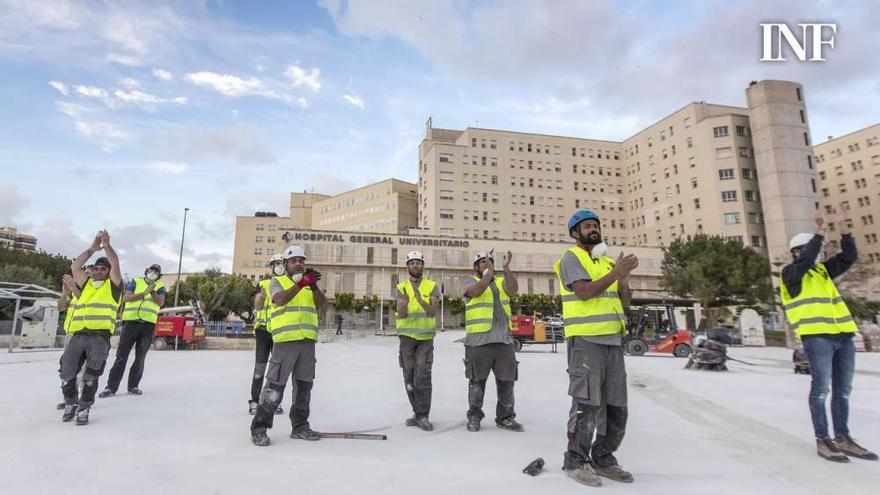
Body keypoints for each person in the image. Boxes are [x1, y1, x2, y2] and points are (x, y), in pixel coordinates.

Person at [781, 203, 877, 463]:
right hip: (817, 337)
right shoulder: (791, 274)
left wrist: (843, 226)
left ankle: (843, 437)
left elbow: (849, 256)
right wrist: (821, 229)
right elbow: (807, 258)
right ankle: (823, 439)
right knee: (821, 390)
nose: (820, 254)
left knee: (843, 390)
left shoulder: (823, 272)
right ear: (798, 252)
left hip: (843, 336)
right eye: (813, 249)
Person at [555, 210, 638, 487]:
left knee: (616, 404)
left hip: (613, 341)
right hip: (586, 341)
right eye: (586, 226)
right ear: (575, 233)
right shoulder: (572, 258)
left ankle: (603, 457)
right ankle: (575, 460)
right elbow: (583, 292)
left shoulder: (605, 262)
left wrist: (623, 279)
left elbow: (624, 301)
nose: (593, 229)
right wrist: (616, 272)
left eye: (595, 225)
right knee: (586, 403)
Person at [250, 245, 326, 446]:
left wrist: (314, 286)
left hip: (307, 343)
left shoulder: (310, 285)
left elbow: (323, 305)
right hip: (285, 343)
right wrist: (301, 285)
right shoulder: (277, 282)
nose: (298, 263)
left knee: (304, 386)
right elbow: (279, 300)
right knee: (275, 387)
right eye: (293, 261)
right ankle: (259, 428)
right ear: (285, 264)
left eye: (301, 260)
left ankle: (300, 426)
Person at [60, 231, 123, 425]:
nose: (98, 271)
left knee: (90, 376)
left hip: (99, 337)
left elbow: (115, 264)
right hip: (78, 335)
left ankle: (84, 408)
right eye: (96, 268)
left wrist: (107, 245)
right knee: (67, 373)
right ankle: (71, 403)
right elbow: (75, 266)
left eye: (103, 269)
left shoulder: (113, 287)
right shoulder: (85, 285)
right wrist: (92, 248)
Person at [462, 249, 523, 433]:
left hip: (503, 342)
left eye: (489, 262)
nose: (487, 264)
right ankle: (474, 416)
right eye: (482, 262)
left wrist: (506, 268)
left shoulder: (501, 282)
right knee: (477, 382)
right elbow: (476, 291)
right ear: (476, 267)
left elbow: (513, 289)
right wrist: (487, 275)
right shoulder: (471, 281)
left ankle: (505, 417)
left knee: (507, 381)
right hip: (479, 343)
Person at [99, 264, 166, 397]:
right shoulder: (135, 282)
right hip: (131, 322)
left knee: (140, 357)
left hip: (148, 324)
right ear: (146, 271)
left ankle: (133, 386)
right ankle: (111, 387)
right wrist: (143, 293)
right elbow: (126, 298)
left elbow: (160, 302)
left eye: (156, 272)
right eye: (151, 270)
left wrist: (152, 291)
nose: (153, 273)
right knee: (121, 356)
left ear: (159, 275)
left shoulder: (160, 286)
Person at [394, 250, 440, 431]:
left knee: (422, 376)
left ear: (423, 266)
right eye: (412, 262)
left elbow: (432, 312)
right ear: (408, 266)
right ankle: (416, 412)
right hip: (406, 338)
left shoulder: (432, 286)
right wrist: (403, 303)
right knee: (409, 377)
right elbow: (402, 314)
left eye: (418, 262)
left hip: (425, 339)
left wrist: (420, 299)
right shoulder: (400, 287)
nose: (415, 265)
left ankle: (423, 415)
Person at [249, 254, 285, 415]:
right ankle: (255, 401)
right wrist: (260, 298)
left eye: (281, 263)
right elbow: (256, 306)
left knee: (276, 370)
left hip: (280, 331)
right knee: (260, 368)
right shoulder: (263, 283)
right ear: (271, 266)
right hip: (263, 330)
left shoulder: (288, 284)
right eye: (276, 263)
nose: (278, 266)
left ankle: (273, 402)